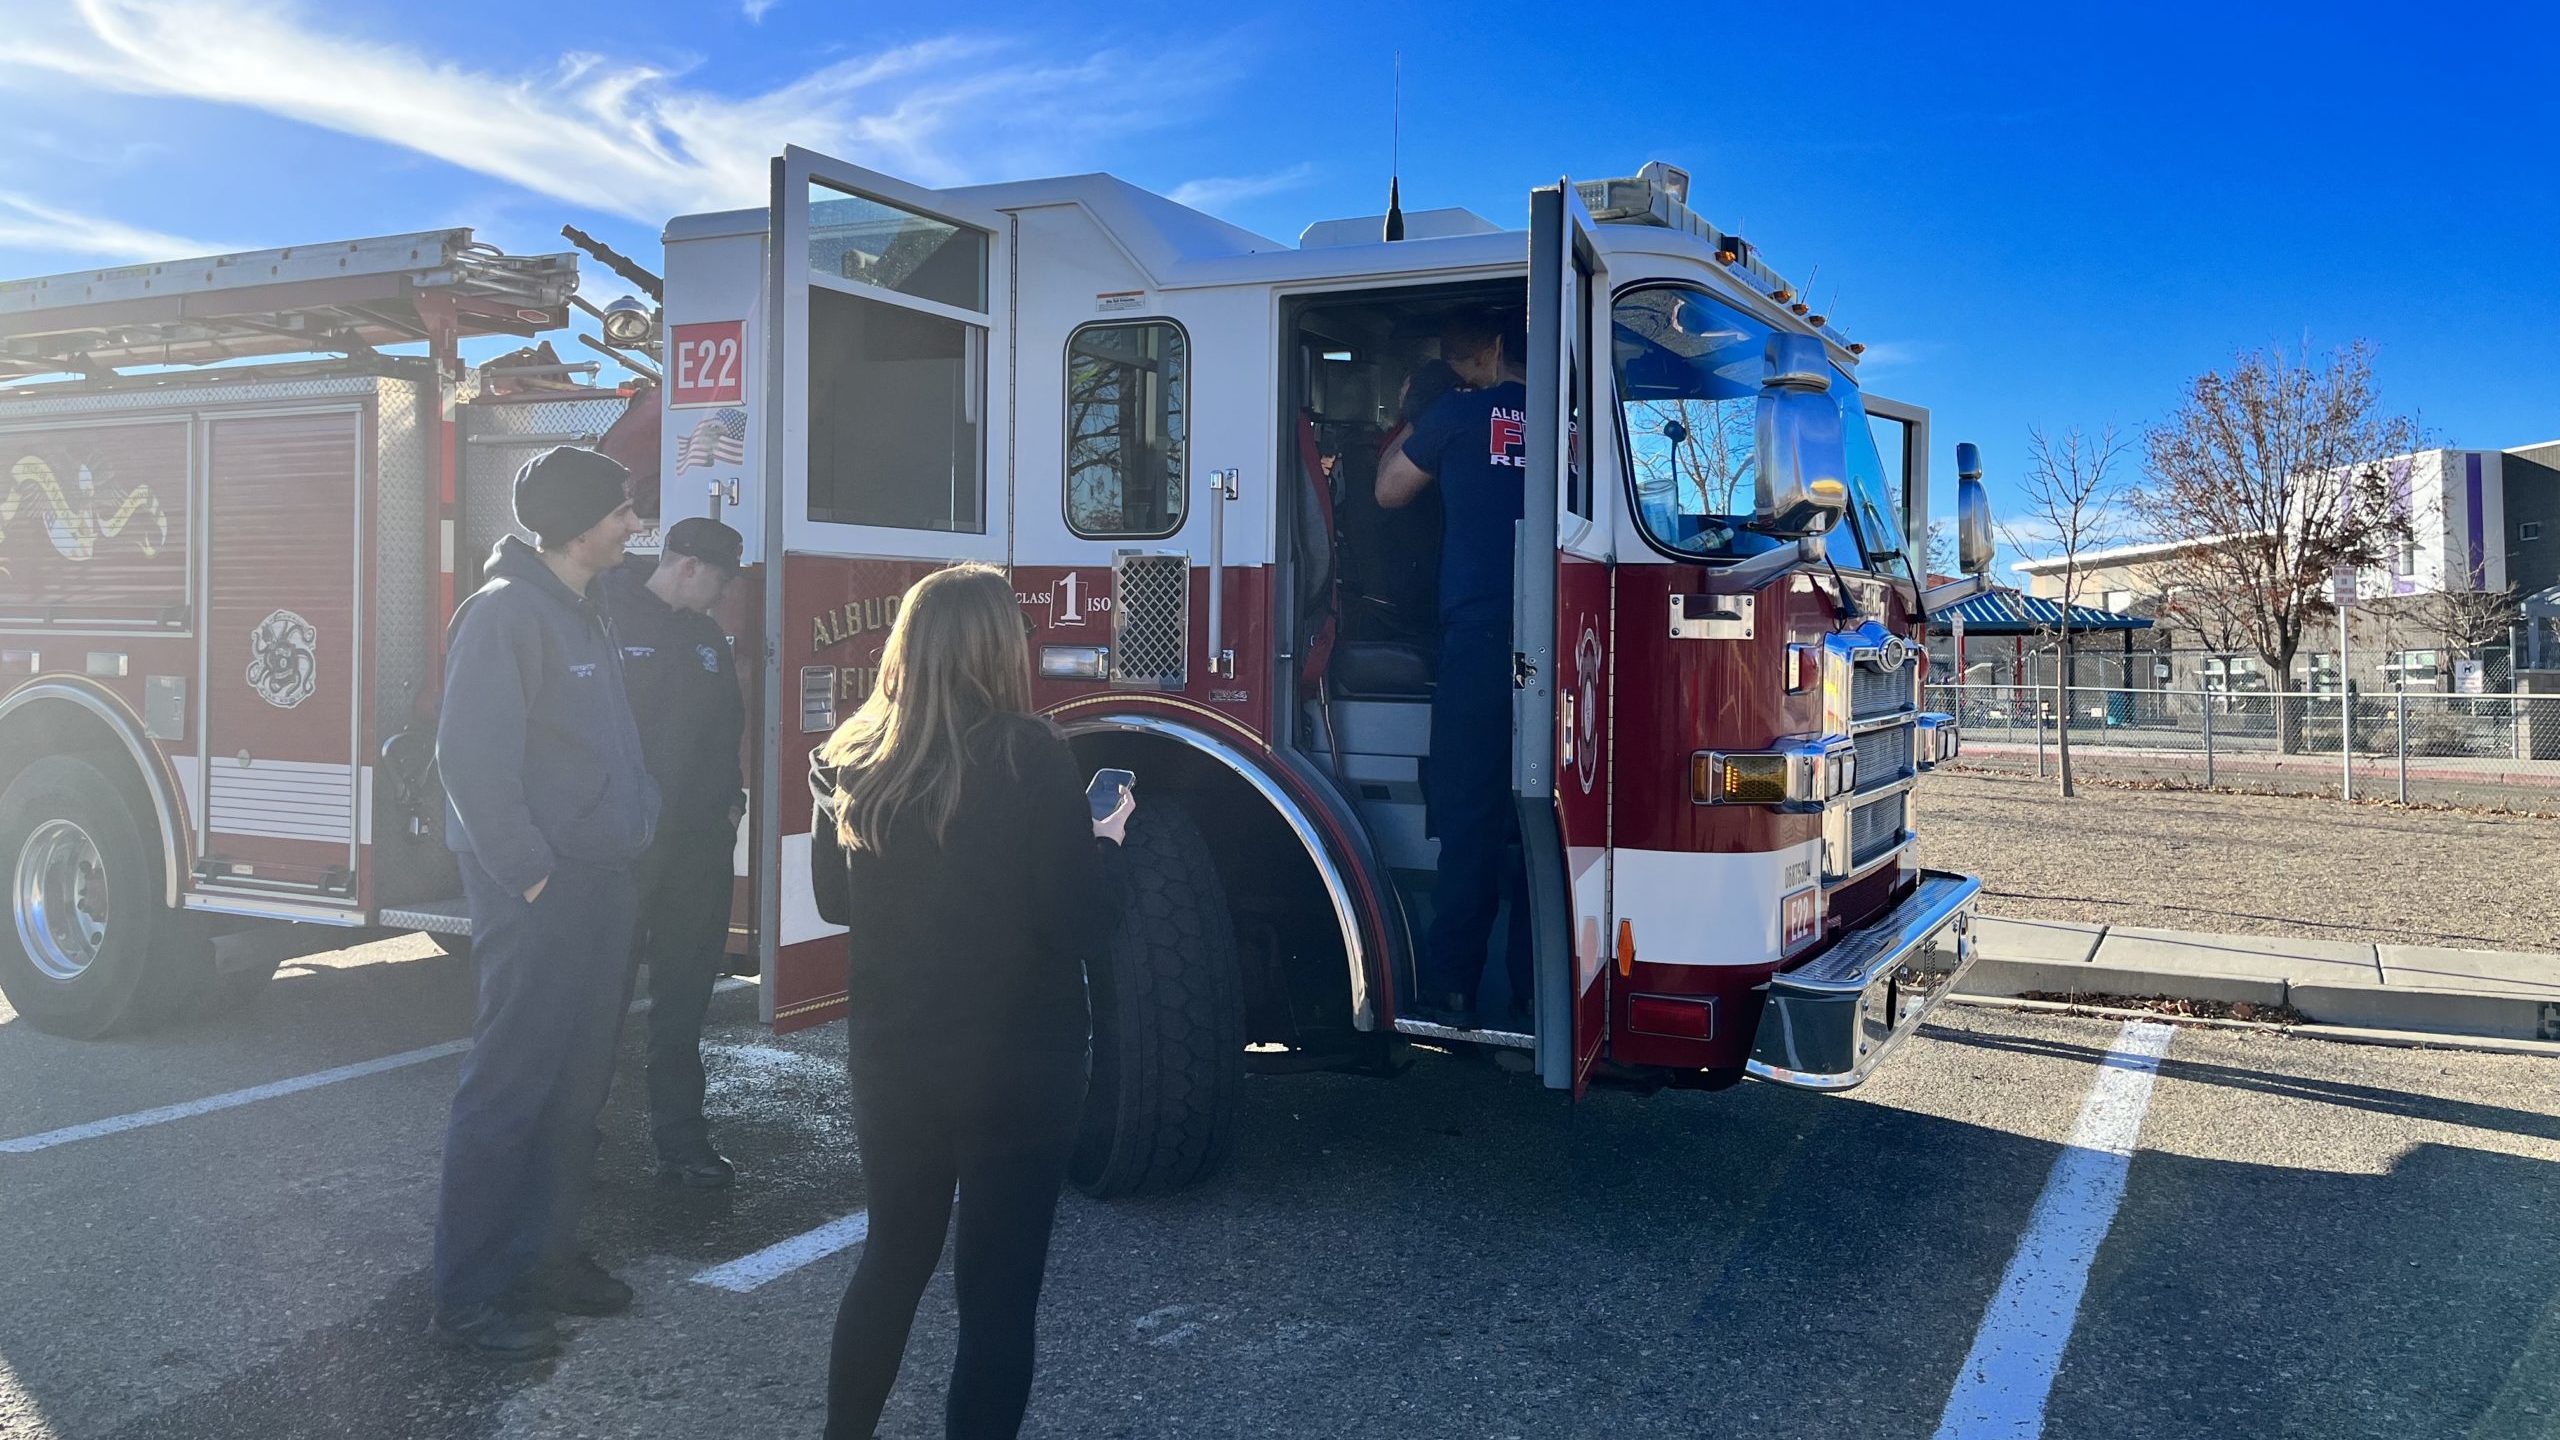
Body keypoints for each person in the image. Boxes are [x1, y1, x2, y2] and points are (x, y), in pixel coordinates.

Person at [805, 563, 1130, 1440]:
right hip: (1017, 1067)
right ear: (997, 649)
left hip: (894, 1058)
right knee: (997, 1295)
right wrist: (1104, 840)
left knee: (891, 1258)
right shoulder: (1032, 755)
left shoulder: (850, 757)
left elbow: (836, 903)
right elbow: (1079, 925)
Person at [429, 446, 657, 1361]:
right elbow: (471, 763)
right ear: (574, 526)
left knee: (576, 1089)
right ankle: (470, 1296)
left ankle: (547, 1258)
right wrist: (531, 876)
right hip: (542, 893)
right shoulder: (504, 615)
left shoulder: (578, 606)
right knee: (510, 1089)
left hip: (597, 884)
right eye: (622, 510)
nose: (635, 524)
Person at [1375, 309, 1533, 1030]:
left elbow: (1388, 491)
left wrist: (1417, 413)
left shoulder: (1456, 414)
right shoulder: (1579, 419)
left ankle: (1453, 992)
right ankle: (1539, 994)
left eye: (1463, 358)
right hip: (1567, 637)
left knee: (1469, 814)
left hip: (1479, 631)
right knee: (1546, 824)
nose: (1460, 371)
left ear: (1495, 350)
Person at [600, 516, 747, 1189]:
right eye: (718, 580)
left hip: (697, 851)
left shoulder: (706, 636)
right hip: (626, 848)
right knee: (597, 1003)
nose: (722, 597)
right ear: (688, 566)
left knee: (684, 1001)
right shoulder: (605, 611)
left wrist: (732, 804)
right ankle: (574, 1144)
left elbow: (727, 727)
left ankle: (682, 1143)